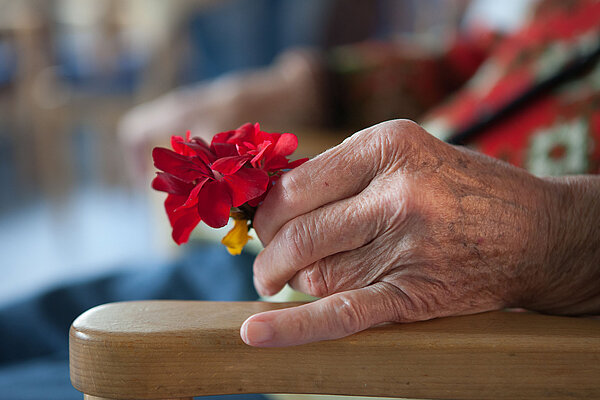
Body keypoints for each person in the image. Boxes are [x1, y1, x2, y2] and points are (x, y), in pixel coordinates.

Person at [118, 0, 600, 347]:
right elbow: (471, 61)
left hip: (396, 341)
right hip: (291, 266)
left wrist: (545, 233)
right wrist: (304, 85)